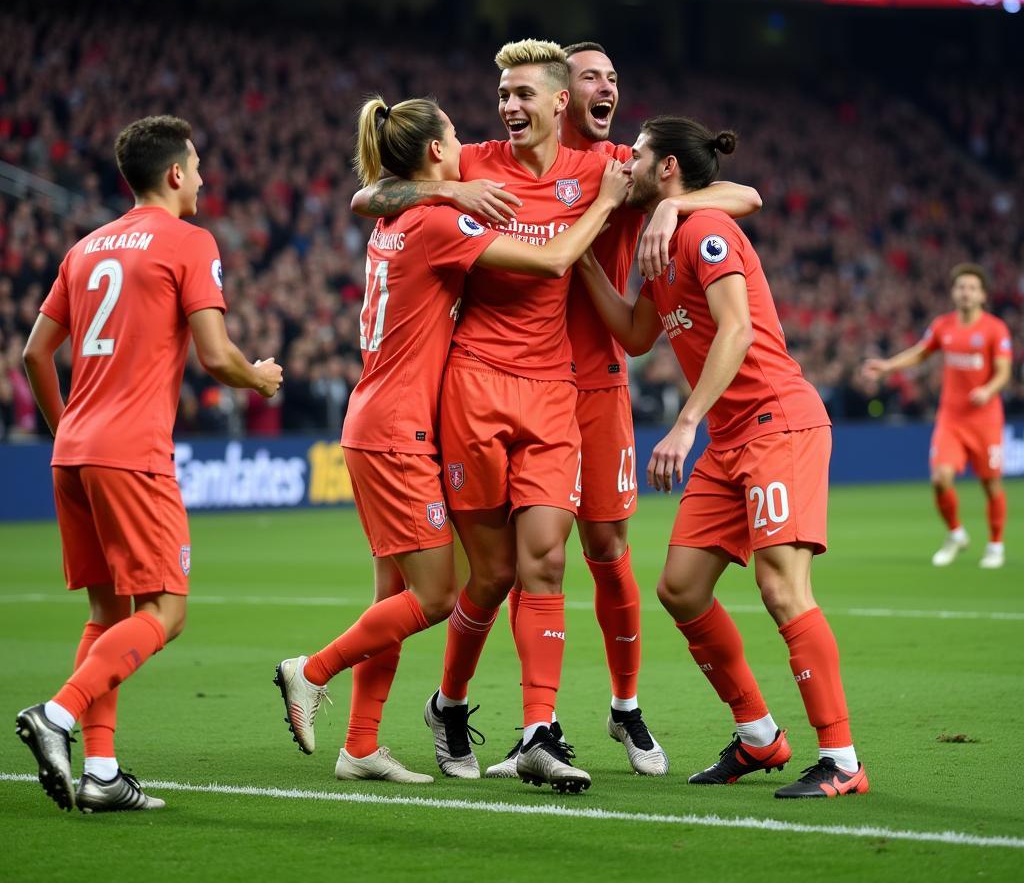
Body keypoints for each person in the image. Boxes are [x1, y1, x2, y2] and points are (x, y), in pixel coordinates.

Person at [274, 95, 627, 784]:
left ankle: (361, 744)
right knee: (435, 596)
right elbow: (553, 260)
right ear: (437, 151)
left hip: (375, 417)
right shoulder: (436, 221)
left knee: (392, 596)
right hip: (399, 428)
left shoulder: (401, 212)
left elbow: (368, 192)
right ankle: (310, 671)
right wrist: (602, 204)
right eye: (455, 137)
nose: (467, 141)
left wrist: (454, 187)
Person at [486, 41, 762, 779]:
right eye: (591, 77)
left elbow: (744, 195)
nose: (607, 87)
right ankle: (532, 725)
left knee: (607, 551)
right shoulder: (515, 164)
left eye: (614, 77)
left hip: (598, 386)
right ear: (557, 95)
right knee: (527, 561)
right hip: (517, 383)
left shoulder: (624, 171)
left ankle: (625, 706)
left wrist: (674, 202)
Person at [577, 115, 869, 799]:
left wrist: (683, 426)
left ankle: (843, 759)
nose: (630, 164)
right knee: (680, 587)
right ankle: (761, 737)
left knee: (781, 588)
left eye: (641, 155)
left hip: (777, 424)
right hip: (731, 437)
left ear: (669, 169)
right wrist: (581, 255)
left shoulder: (705, 231)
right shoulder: (659, 245)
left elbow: (736, 331)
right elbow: (634, 333)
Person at [16, 115, 283, 813]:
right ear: (173, 174)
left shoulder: (84, 248)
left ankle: (100, 774)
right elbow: (216, 356)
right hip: (133, 454)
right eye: (194, 167)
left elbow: (33, 356)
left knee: (108, 612)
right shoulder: (189, 242)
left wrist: (65, 428)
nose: (200, 179)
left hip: (73, 454)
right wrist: (258, 377)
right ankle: (60, 714)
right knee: (167, 610)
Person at [862, 265, 1012, 569]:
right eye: (960, 287)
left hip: (985, 420)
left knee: (990, 484)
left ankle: (995, 544)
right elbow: (921, 352)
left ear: (982, 295)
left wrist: (987, 390)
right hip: (952, 419)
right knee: (940, 479)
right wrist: (888, 366)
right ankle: (956, 533)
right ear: (953, 292)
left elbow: (1004, 371)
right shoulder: (943, 326)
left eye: (971, 287)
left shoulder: (995, 329)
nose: (965, 292)